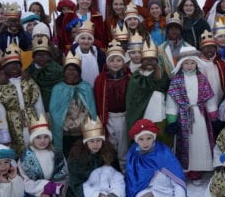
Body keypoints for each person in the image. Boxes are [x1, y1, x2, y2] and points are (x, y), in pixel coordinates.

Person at [18, 115, 83, 197]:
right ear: (32, 139)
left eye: (46, 137)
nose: (43, 141)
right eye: (38, 137)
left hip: (56, 191)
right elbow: (25, 180)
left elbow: (64, 175)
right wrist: (42, 189)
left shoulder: (56, 154)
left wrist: (54, 190)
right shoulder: (26, 157)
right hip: (37, 195)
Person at [67, 118, 130, 197]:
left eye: (98, 141)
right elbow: (77, 183)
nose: (95, 145)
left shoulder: (109, 153)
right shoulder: (77, 157)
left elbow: (117, 177)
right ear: (86, 141)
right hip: (89, 193)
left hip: (108, 191)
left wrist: (115, 194)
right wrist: (96, 196)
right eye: (92, 141)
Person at [166, 49, 218, 184]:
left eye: (192, 63)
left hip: (199, 115)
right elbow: (171, 99)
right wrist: (172, 118)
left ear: (197, 64)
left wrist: (213, 113)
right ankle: (185, 170)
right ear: (181, 65)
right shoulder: (176, 80)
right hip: (183, 115)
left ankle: (197, 171)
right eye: (186, 63)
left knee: (200, 144)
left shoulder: (202, 79)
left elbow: (209, 97)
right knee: (184, 143)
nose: (189, 66)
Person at [125, 119, 189, 197]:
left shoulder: (163, 152)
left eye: (148, 138)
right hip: (147, 191)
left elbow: (177, 178)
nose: (145, 142)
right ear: (136, 140)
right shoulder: (133, 154)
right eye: (141, 139)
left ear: (153, 137)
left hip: (166, 191)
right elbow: (132, 179)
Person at [0, 43, 44, 156]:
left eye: (16, 64)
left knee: (35, 146)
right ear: (4, 68)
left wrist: (42, 125)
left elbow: (38, 104)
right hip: (12, 123)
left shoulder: (29, 82)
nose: (14, 67)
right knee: (19, 151)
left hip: (31, 119)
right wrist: (5, 136)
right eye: (10, 64)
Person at [49, 52, 98, 156]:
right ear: (64, 72)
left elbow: (90, 109)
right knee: (67, 155)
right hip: (65, 132)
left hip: (82, 131)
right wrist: (68, 125)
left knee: (82, 155)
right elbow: (55, 111)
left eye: (74, 70)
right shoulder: (58, 88)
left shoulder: (86, 87)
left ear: (79, 72)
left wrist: (78, 123)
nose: (71, 72)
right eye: (68, 69)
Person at [125, 40, 172, 147]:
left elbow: (169, 95)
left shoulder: (162, 75)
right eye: (146, 60)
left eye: (153, 60)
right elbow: (132, 100)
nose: (149, 62)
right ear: (141, 61)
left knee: (162, 142)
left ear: (157, 61)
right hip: (142, 117)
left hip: (160, 115)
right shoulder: (137, 77)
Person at [94, 40, 131, 170]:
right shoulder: (101, 79)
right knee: (110, 143)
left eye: (118, 60)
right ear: (107, 62)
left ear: (123, 62)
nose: (115, 63)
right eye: (112, 60)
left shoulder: (129, 77)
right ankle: (110, 168)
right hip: (108, 117)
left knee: (123, 145)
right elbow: (98, 98)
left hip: (124, 116)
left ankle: (124, 168)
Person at [26, 33, 64, 112]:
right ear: (33, 57)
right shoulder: (29, 71)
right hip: (36, 108)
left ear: (49, 56)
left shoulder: (57, 70)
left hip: (54, 107)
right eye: (38, 55)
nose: (41, 57)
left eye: (44, 55)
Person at [198, 30, 225, 105]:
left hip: (220, 100)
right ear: (201, 49)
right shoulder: (197, 64)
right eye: (206, 47)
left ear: (216, 49)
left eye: (212, 47)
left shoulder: (223, 64)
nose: (209, 49)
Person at [70, 20, 105, 88]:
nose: (86, 41)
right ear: (78, 40)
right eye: (83, 38)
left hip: (96, 86)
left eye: (89, 39)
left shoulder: (98, 53)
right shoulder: (73, 53)